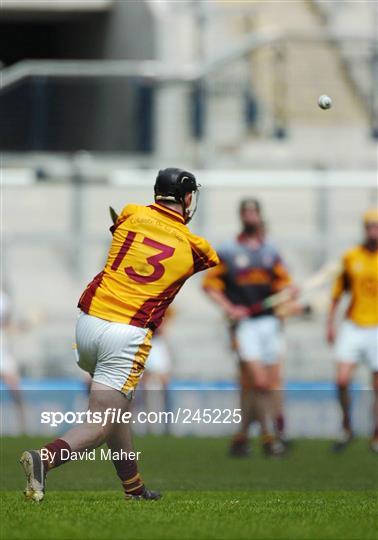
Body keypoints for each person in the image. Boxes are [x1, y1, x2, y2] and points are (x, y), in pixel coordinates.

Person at [20, 168, 219, 501]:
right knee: (101, 423)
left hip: (88, 322)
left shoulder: (130, 213)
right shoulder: (198, 248)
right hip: (126, 334)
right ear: (187, 199)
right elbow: (206, 260)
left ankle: (134, 488)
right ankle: (44, 459)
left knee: (118, 411)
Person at [203, 199, 294, 457]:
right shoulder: (229, 250)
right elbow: (210, 286)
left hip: (269, 323)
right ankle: (265, 436)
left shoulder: (271, 250)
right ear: (241, 216)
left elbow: (283, 284)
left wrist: (288, 292)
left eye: (254, 212)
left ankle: (248, 436)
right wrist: (229, 308)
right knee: (255, 383)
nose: (251, 217)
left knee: (269, 383)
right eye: (246, 212)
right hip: (244, 325)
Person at [327, 208, 378, 453]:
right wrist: (330, 323)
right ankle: (347, 427)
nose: (373, 231)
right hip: (353, 325)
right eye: (370, 226)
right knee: (342, 379)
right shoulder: (351, 257)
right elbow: (338, 294)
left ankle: (376, 435)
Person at [0, 288, 27, 434]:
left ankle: (23, 429)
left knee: (16, 390)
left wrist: (22, 327)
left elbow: (7, 325)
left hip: (3, 348)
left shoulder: (4, 298)